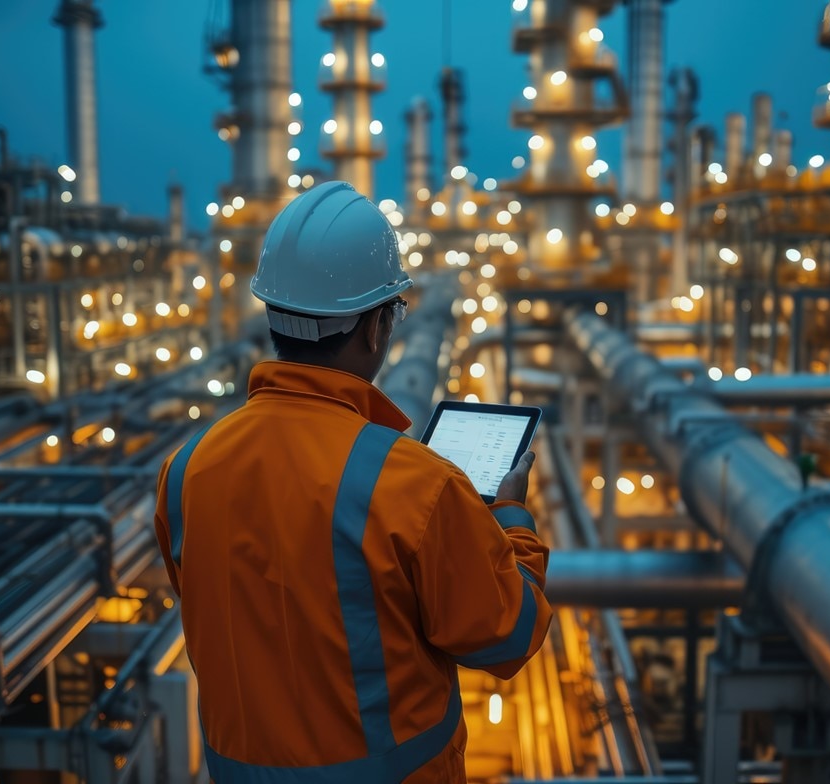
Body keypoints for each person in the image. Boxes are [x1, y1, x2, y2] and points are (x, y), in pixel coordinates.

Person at [154, 181, 553, 783]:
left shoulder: (187, 468)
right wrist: (512, 520)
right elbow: (507, 636)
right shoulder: (414, 484)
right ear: (374, 329)